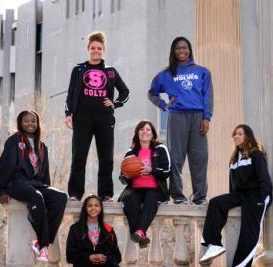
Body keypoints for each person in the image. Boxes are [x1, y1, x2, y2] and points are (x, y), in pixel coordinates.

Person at [199, 124, 272, 267]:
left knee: (249, 232)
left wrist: (263, 199)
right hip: (240, 196)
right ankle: (213, 243)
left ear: (247, 136)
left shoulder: (255, 154)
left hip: (256, 196)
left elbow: (264, 178)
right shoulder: (234, 159)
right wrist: (231, 202)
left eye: (239, 134)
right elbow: (233, 186)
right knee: (216, 203)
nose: (236, 136)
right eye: (234, 134)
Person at [0, 110, 68, 262]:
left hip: (35, 183)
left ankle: (42, 241)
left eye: (33, 121)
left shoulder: (42, 146)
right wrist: (0, 190)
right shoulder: (14, 140)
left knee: (60, 197)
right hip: (16, 182)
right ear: (20, 123)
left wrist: (48, 190)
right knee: (36, 196)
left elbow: (45, 172)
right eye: (26, 121)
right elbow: (6, 164)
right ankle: (43, 246)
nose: (30, 124)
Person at [65, 31, 130, 202]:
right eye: (93, 48)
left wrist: (115, 103)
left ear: (103, 51)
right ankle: (75, 194)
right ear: (88, 49)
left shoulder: (110, 72)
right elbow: (71, 94)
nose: (96, 51)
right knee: (79, 156)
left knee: (106, 158)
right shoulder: (78, 69)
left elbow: (125, 92)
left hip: (104, 119)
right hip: (82, 118)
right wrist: (68, 114)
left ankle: (106, 194)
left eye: (99, 48)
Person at [148, 36, 213, 206]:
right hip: (177, 116)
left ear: (189, 49)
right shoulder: (166, 74)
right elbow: (152, 92)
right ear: (173, 52)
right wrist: (164, 105)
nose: (182, 51)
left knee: (200, 157)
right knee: (175, 158)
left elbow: (208, 96)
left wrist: (207, 117)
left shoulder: (202, 72)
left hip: (198, 117)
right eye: (178, 48)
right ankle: (177, 195)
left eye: (185, 48)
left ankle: (200, 197)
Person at [118, 120, 170, 248]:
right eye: (141, 129)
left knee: (151, 199)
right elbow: (122, 177)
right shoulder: (130, 153)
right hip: (135, 188)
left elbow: (167, 170)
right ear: (137, 133)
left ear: (152, 134)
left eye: (148, 129)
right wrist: (129, 175)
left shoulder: (160, 149)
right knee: (131, 201)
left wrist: (151, 170)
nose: (144, 131)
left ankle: (139, 232)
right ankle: (141, 235)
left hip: (155, 188)